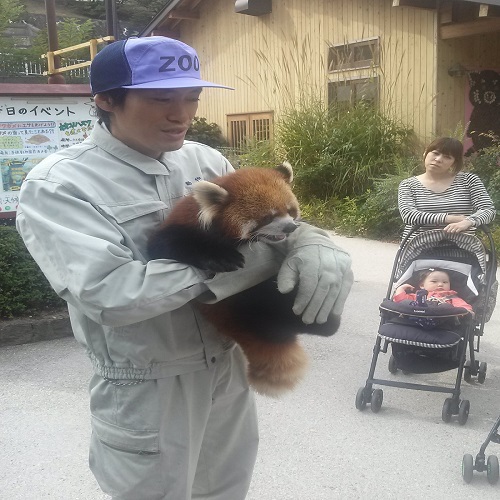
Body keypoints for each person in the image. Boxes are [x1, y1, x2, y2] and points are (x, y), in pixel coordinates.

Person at [15, 36, 353, 500]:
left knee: (225, 490)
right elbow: (111, 295)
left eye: (191, 97)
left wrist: (310, 240)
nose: (182, 113)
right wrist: (221, 265)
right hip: (149, 382)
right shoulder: (60, 185)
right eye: (161, 99)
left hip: (225, 364)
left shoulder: (204, 160)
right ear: (106, 101)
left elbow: (262, 221)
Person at [398, 137, 496, 240]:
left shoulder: (469, 181)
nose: (439, 159)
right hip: (418, 248)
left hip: (462, 248)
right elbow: (408, 215)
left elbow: (488, 210)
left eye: (447, 157)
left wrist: (468, 222)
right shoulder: (408, 185)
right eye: (435, 153)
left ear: (454, 162)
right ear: (425, 153)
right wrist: (449, 218)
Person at [393, 268, 473, 311]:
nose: (440, 284)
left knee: (446, 307)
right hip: (417, 317)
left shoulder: (451, 297)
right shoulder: (418, 296)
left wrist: (467, 311)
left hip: (442, 321)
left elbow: (462, 306)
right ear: (422, 285)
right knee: (408, 304)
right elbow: (401, 300)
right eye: (434, 281)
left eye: (445, 282)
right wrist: (401, 288)